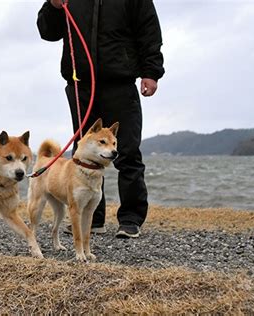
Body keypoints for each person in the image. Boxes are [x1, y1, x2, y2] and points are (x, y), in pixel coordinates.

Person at [37, 0, 165, 238]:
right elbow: (48, 32)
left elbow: (149, 30)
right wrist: (53, 6)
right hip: (80, 83)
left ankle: (130, 220)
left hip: (120, 81)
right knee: (85, 154)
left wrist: (151, 71)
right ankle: (92, 219)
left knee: (126, 152)